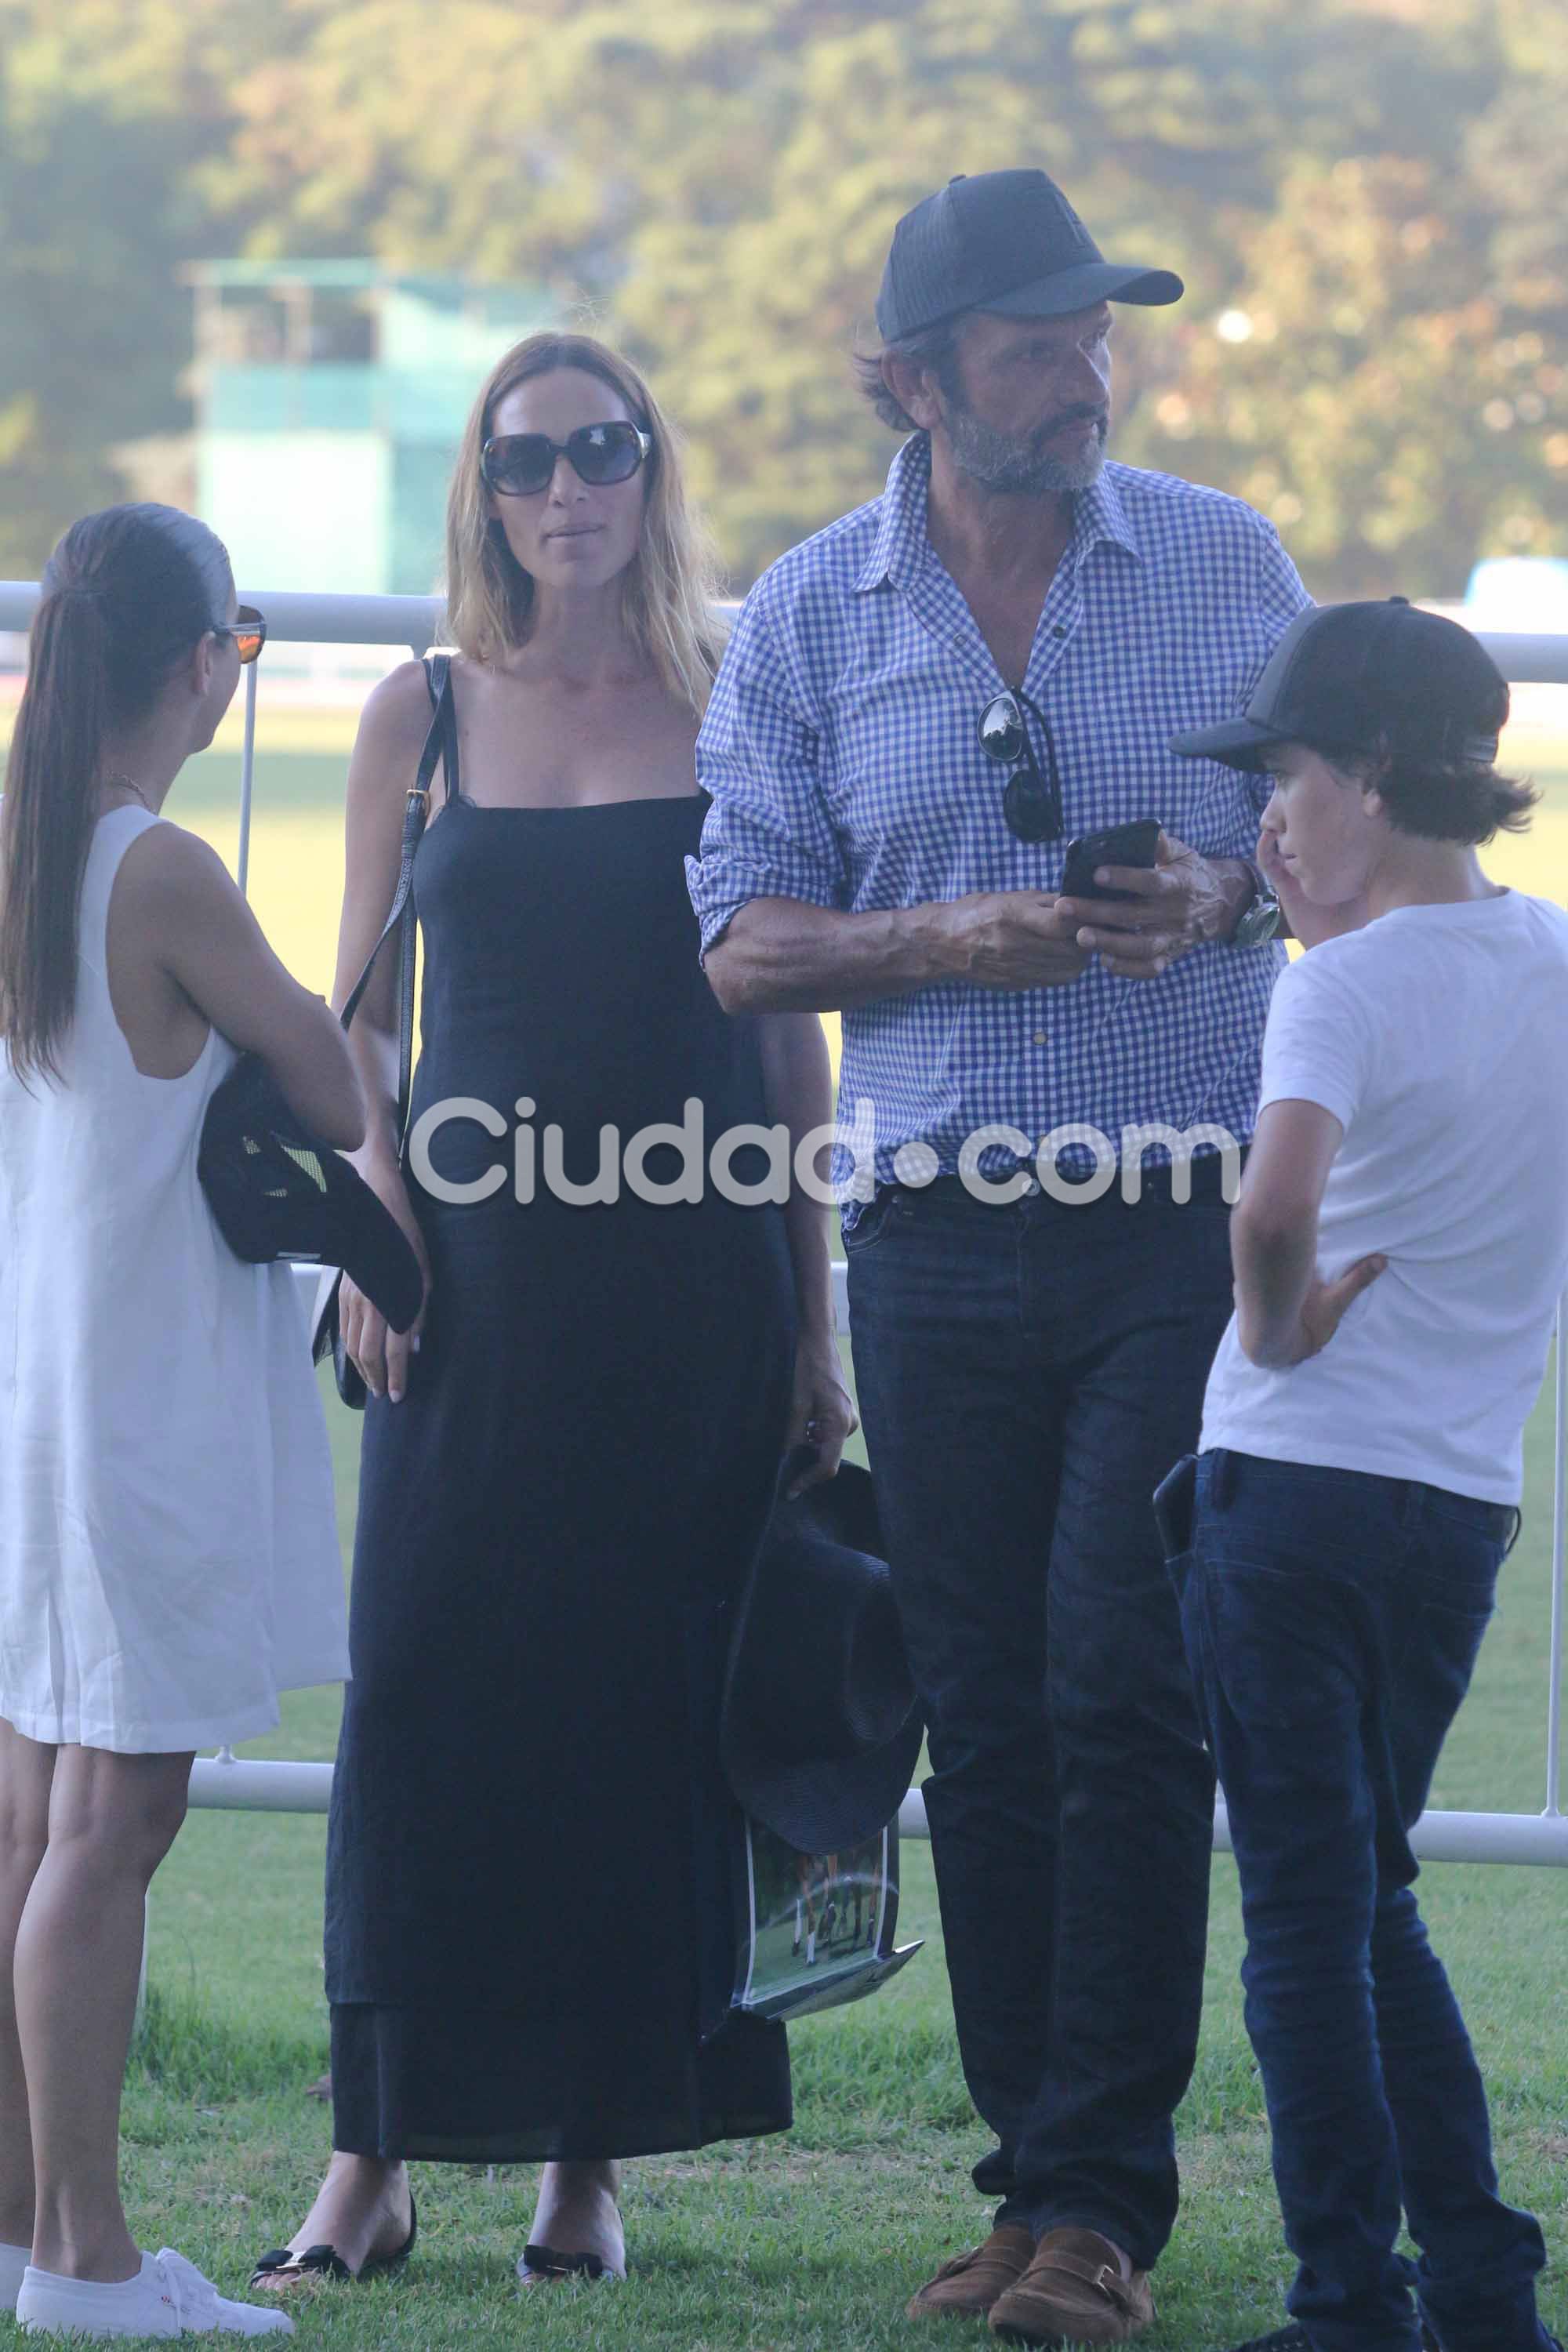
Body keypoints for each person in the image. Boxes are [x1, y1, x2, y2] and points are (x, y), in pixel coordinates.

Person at [688, 165, 1310, 2341]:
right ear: (913, 377)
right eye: (1040, 339)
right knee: (986, 1707)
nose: (1088, 368)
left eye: (1097, 332)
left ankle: (1099, 2214)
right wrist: (948, 937)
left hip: (1172, 1217)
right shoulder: (804, 615)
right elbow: (746, 940)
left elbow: (1338, 836)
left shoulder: (1229, 565)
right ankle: (1029, 2187)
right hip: (938, 1237)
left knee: (1124, 1686)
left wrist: (1235, 890)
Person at [254, 332, 855, 2299]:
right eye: (529, 460)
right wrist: (375, 1228)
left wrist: (815, 1325)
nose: (567, 488)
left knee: (638, 1718)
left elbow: (791, 1058)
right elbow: (356, 1026)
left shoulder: (734, 705)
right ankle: (371, 2157)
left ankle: (588, 2165)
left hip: (688, 1287)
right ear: (484, 488)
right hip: (472, 1295)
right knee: (424, 1698)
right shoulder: (418, 713)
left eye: (603, 451)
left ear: (650, 470)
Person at [1159, 598, 1567, 2352]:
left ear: (1379, 778)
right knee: (1369, 1890)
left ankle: (1346, 2303)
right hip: (1458, 1507)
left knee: (1305, 1926)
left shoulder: (1336, 991)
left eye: (1290, 776)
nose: (1266, 819)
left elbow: (1270, 1211)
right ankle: (1478, 2283)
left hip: (1291, 1488)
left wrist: (1276, 1329)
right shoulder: (1550, 962)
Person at [0, 504, 361, 2339]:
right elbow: (333, 1071)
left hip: (33, 1395)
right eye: (241, 639)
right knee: (110, 1826)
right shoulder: (159, 870)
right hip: (137, 1399)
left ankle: (21, 2229)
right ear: (197, 659)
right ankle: (83, 2264)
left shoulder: (19, 842)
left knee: (27, 1814)